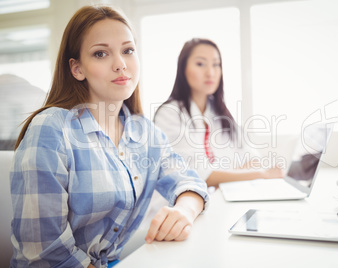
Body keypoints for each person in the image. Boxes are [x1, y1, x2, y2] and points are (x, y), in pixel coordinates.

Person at [9, 6, 208, 268]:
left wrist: (184, 211)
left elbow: (189, 180)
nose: (120, 64)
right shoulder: (52, 128)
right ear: (77, 68)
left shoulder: (144, 132)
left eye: (128, 50)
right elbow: (47, 252)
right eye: (101, 53)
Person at [154, 38, 283, 188]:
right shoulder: (169, 114)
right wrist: (262, 175)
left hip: (221, 198)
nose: (210, 72)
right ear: (183, 69)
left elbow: (252, 159)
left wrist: (224, 177)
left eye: (216, 64)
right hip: (180, 205)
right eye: (200, 64)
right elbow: (195, 175)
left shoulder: (221, 113)